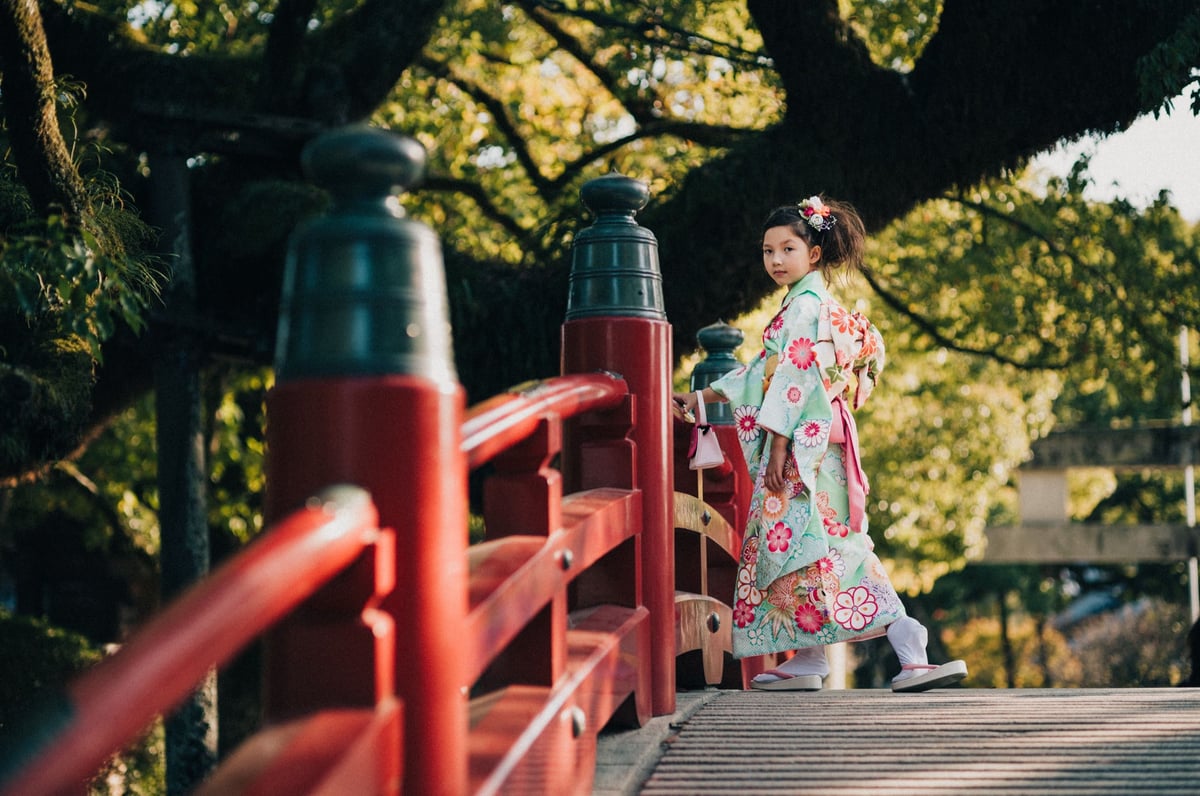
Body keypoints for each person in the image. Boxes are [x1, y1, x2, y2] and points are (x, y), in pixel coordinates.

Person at [674, 196, 967, 693]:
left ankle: (906, 640)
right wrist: (703, 397)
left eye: (788, 248)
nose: (775, 260)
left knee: (827, 545)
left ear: (814, 253)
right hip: (808, 442)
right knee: (808, 549)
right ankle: (809, 654)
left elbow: (797, 379)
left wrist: (781, 448)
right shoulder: (802, 306)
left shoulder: (808, 309)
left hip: (804, 450)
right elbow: (762, 376)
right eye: (768, 251)